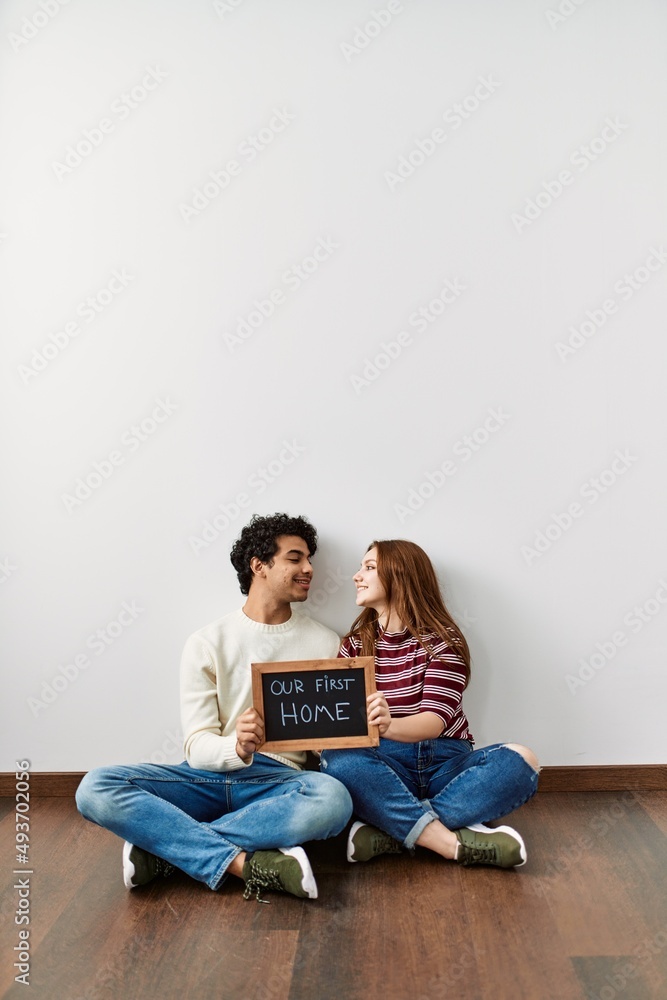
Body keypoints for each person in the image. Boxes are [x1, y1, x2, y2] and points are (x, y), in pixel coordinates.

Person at [76, 513, 353, 902]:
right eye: (295, 558)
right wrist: (236, 747)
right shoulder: (207, 642)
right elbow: (197, 744)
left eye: (309, 559)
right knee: (95, 787)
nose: (309, 569)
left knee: (334, 799)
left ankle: (167, 851)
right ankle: (241, 862)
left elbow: (325, 743)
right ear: (259, 566)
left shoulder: (326, 644)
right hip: (202, 778)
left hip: (277, 784)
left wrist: (337, 739)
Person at [320, 539, 539, 869]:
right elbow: (343, 730)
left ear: (400, 575)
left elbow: (434, 720)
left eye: (368, 567)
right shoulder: (354, 646)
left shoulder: (442, 641)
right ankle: (449, 843)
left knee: (522, 760)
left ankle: (395, 830)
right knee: (337, 759)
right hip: (385, 766)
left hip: (446, 765)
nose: (356, 576)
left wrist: (389, 723)